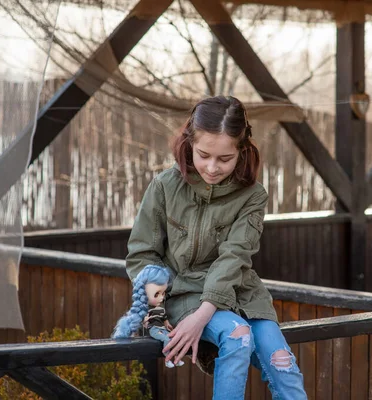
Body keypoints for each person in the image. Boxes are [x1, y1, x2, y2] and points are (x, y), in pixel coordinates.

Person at [125, 95, 307, 400]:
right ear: (189, 144)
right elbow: (143, 254)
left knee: (283, 365)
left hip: (243, 294)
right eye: (203, 154)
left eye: (225, 159)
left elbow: (235, 256)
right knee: (237, 337)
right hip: (184, 293)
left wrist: (203, 316)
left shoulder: (253, 196)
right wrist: (154, 308)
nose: (212, 167)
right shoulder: (164, 187)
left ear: (242, 151)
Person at [111, 265, 184, 368]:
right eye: (157, 294)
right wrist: (146, 322)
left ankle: (177, 359)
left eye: (163, 293)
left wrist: (167, 324)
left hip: (162, 328)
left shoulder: (160, 309)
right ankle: (168, 360)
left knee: (174, 340)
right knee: (167, 340)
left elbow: (164, 319)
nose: (161, 298)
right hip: (154, 329)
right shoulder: (146, 311)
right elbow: (145, 322)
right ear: (144, 293)